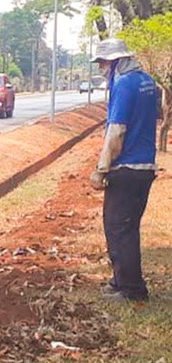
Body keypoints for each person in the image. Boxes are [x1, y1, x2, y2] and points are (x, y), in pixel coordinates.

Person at [89, 38, 157, 302]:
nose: (102, 69)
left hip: (126, 167)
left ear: (116, 61)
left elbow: (116, 131)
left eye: (104, 63)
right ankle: (120, 281)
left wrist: (101, 169)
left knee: (119, 228)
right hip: (145, 167)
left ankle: (131, 290)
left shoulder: (124, 84)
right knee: (128, 226)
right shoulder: (146, 81)